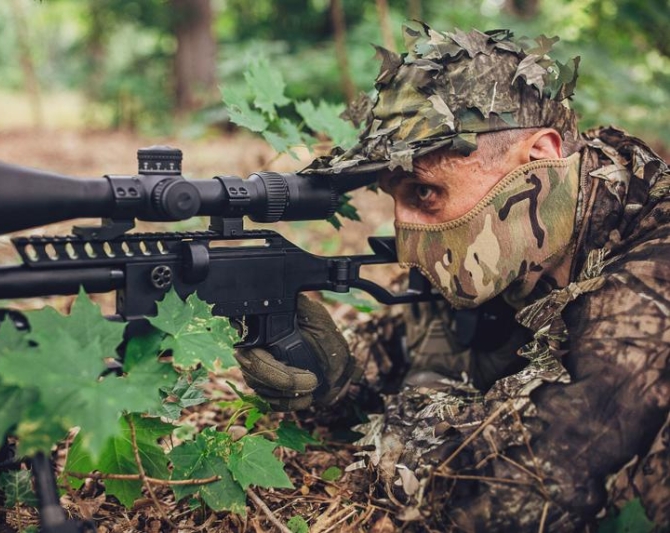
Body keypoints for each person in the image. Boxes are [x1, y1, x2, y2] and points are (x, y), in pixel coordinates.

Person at [235, 25, 670, 531]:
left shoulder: (650, 285)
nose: (405, 243)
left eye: (424, 192)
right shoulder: (506, 253)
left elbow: (507, 495)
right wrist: (332, 380)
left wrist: (413, 410)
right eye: (394, 198)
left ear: (538, 160)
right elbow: (392, 361)